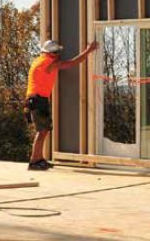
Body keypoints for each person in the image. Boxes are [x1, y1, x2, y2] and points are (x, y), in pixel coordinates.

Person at [25, 40, 98, 170]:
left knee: (43, 130)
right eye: (58, 53)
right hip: (38, 100)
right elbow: (72, 63)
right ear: (52, 53)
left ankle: (38, 159)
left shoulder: (39, 61)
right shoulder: (48, 63)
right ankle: (34, 161)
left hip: (35, 100)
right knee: (42, 131)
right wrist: (88, 50)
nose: (59, 55)